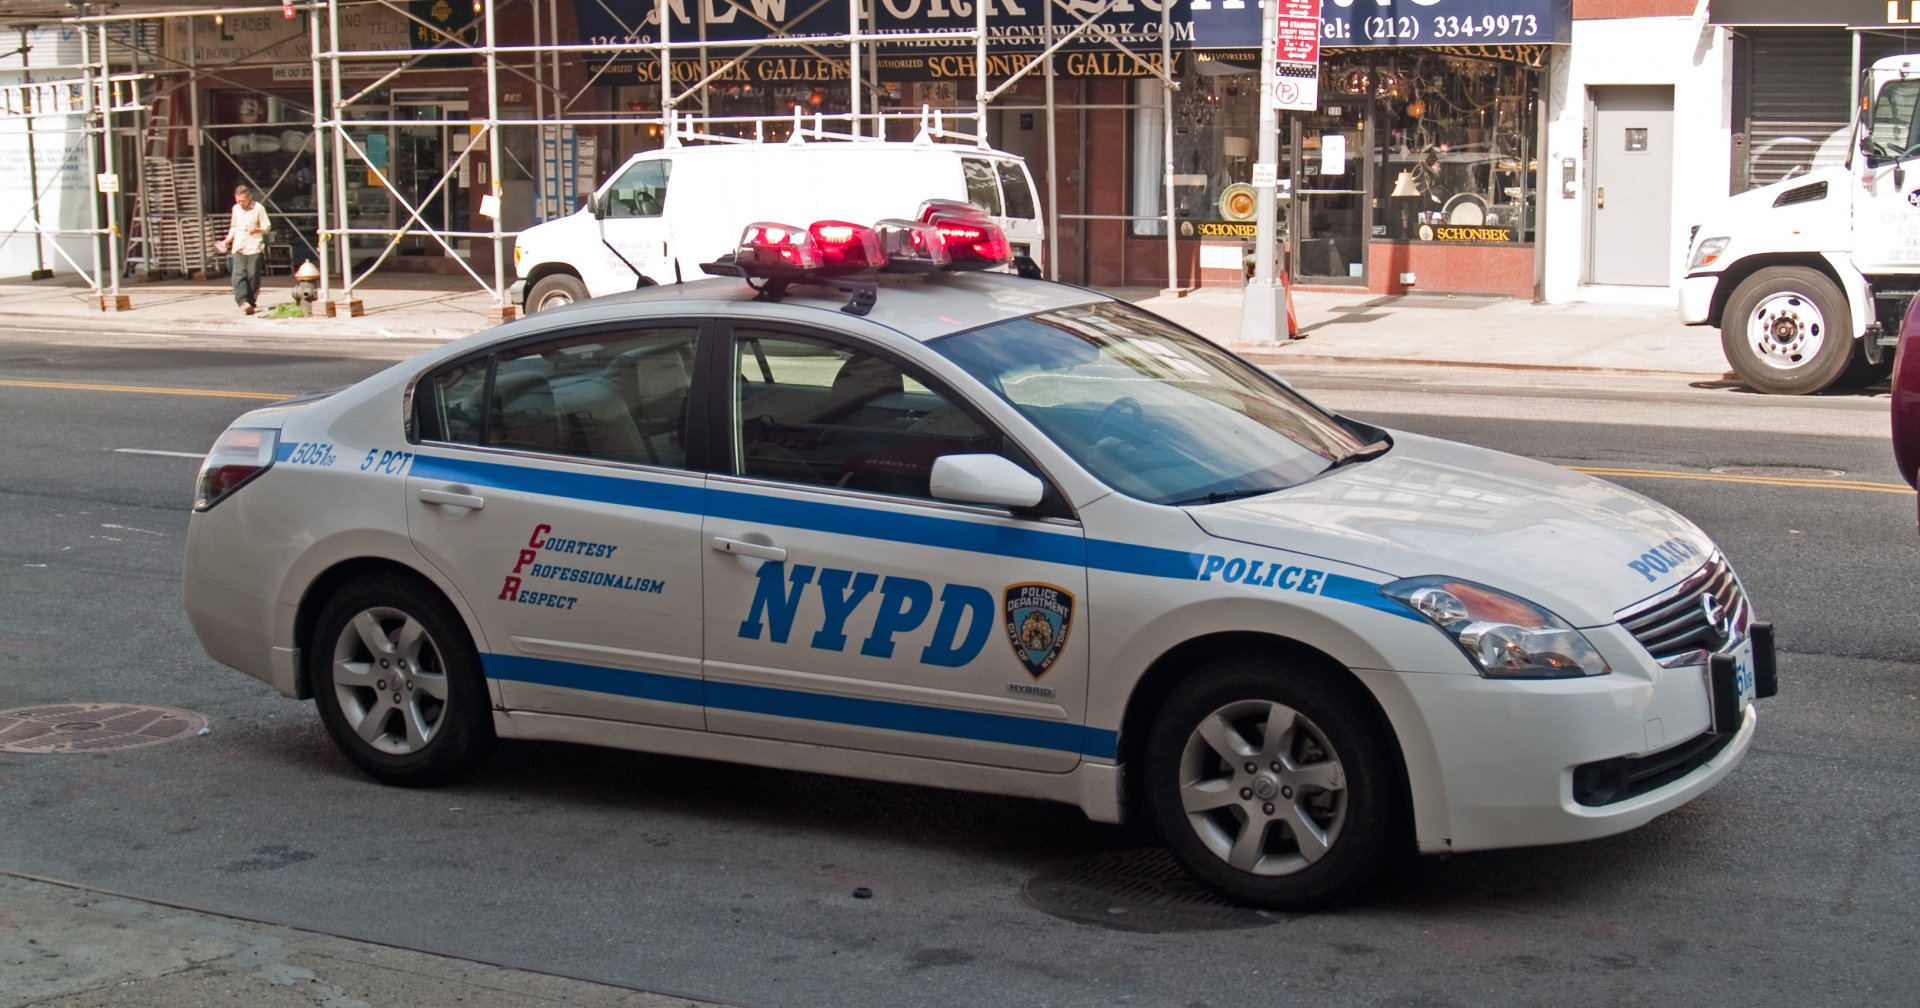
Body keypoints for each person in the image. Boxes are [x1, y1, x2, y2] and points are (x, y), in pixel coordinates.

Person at [215, 184, 269, 315]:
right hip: (239, 246)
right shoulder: (236, 209)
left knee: (253, 277)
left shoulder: (258, 208)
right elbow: (234, 227)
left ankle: (251, 301)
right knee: (238, 276)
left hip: (254, 247)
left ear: (249, 197)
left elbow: (266, 227)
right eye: (238, 201)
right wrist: (226, 241)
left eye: (243, 201)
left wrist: (256, 229)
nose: (240, 203)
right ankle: (242, 301)